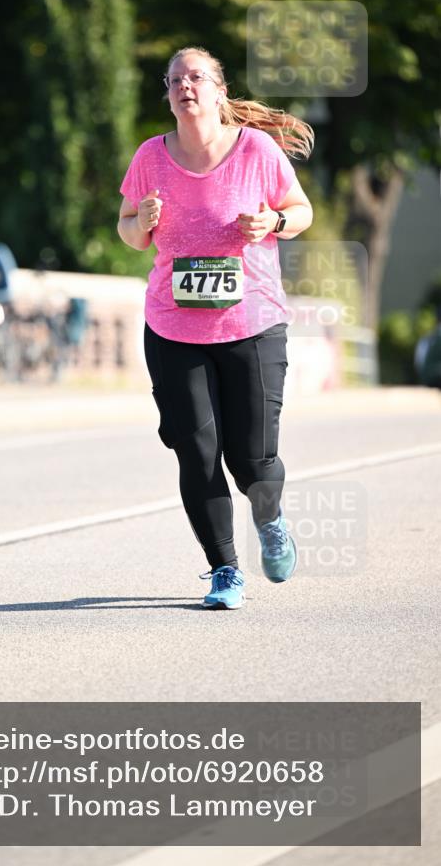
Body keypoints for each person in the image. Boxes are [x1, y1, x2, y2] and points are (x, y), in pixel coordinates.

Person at [117, 46, 314, 609]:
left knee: (251, 461)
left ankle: (270, 519)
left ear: (220, 89)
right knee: (196, 453)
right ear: (169, 93)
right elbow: (128, 229)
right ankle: (225, 569)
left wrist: (273, 220)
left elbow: (300, 212)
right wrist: (142, 222)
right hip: (174, 328)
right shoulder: (151, 157)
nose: (185, 86)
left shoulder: (257, 151)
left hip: (252, 324)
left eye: (196, 77)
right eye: (175, 79)